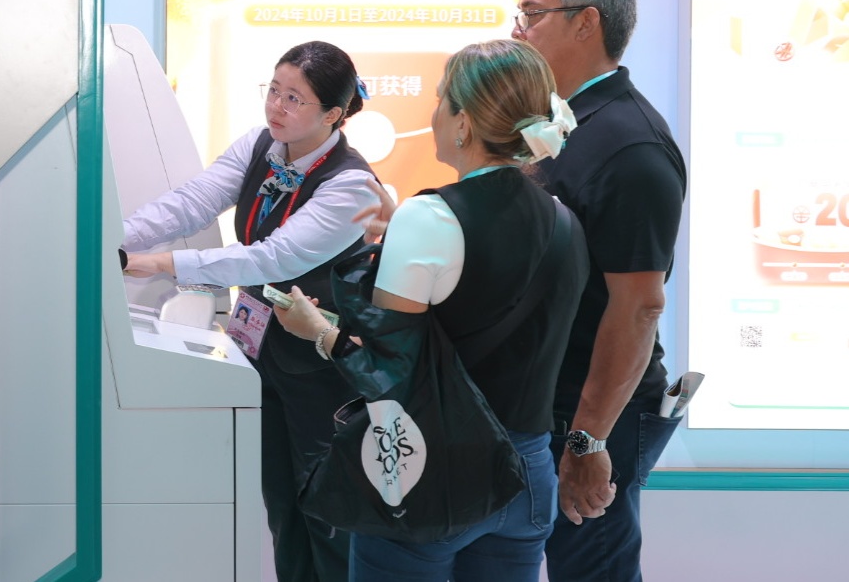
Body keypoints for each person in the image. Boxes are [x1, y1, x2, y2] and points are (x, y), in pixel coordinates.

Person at [274, 39, 588, 582]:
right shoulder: (564, 220)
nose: (435, 111)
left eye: (442, 99)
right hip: (530, 474)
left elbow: (389, 369)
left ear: (463, 123)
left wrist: (318, 330)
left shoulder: (429, 218)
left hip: (430, 471)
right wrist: (402, 237)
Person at [121, 41, 376, 582]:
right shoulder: (262, 144)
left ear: (333, 114)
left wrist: (162, 263)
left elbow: (273, 257)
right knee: (281, 506)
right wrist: (115, 238)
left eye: (294, 99)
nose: (276, 106)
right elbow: (193, 201)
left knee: (328, 512)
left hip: (323, 365)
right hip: (261, 353)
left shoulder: (352, 184)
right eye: (274, 90)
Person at [512, 0, 687, 582]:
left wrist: (589, 440)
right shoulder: (562, 122)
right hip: (548, 402)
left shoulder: (630, 145)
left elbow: (638, 307)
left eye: (532, 13)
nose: (517, 29)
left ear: (586, 22)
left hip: (592, 416)